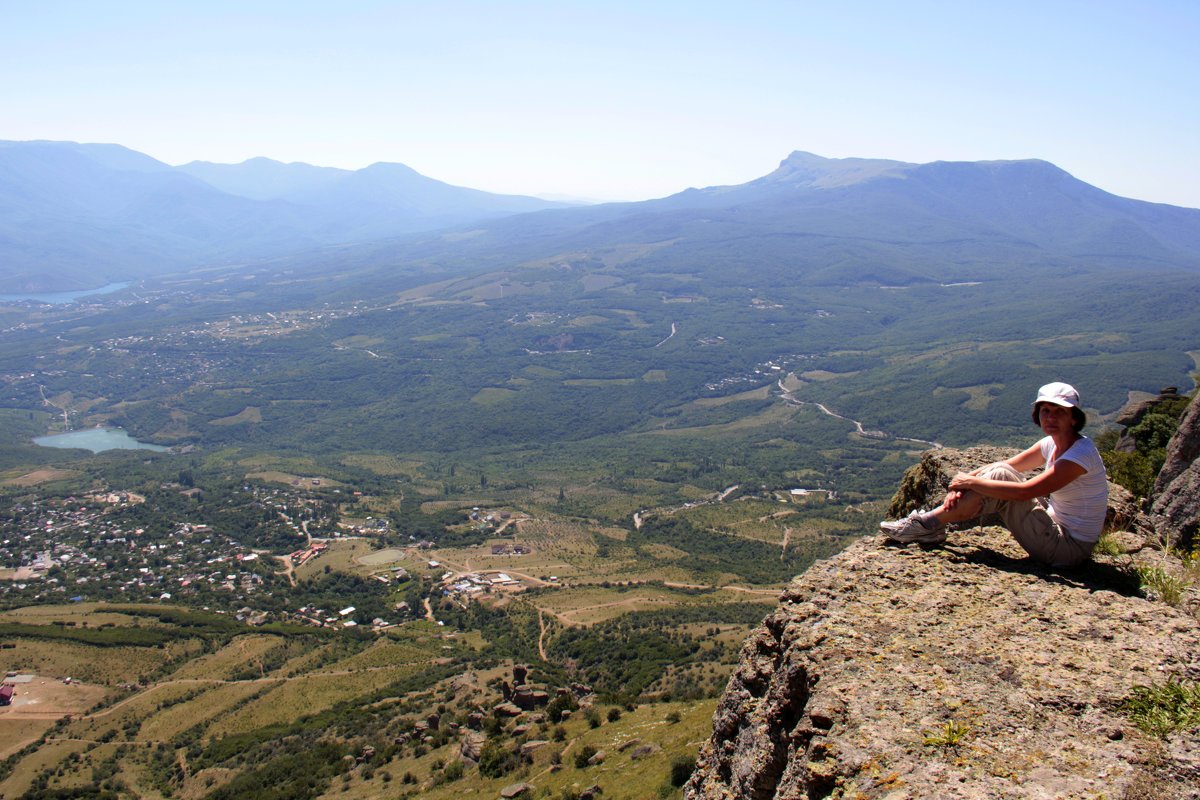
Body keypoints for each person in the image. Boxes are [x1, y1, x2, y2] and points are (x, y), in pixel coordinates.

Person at [880, 382, 1108, 567]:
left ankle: (926, 525)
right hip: (1054, 529)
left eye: (1060, 411)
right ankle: (930, 524)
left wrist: (971, 482)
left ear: (1074, 418)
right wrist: (961, 485)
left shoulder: (1078, 456)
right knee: (1000, 471)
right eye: (1045, 411)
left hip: (1067, 549)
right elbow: (1007, 465)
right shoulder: (1052, 443)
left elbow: (1026, 492)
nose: (1050, 417)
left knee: (1000, 477)